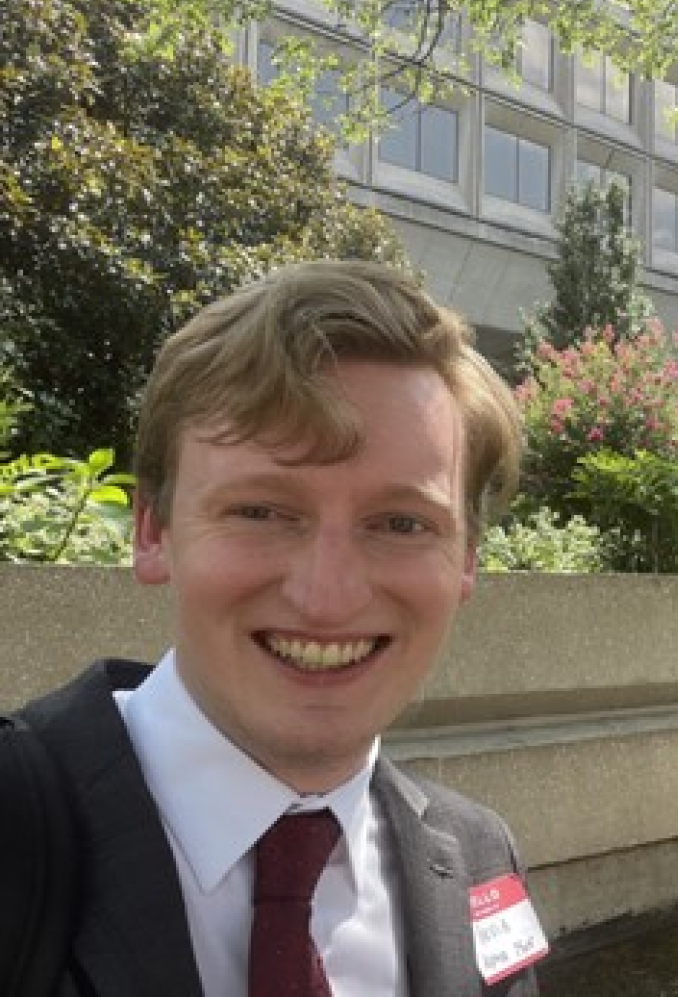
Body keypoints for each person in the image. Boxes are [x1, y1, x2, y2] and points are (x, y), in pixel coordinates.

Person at [14, 261, 544, 995]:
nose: (326, 596)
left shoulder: (481, 858)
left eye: (400, 522)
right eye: (261, 511)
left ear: (465, 561)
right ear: (152, 531)